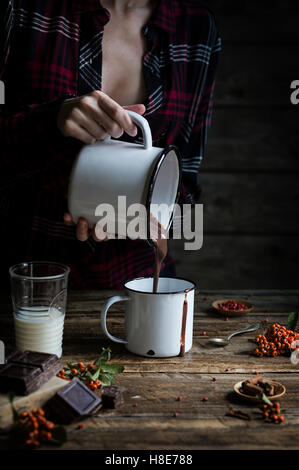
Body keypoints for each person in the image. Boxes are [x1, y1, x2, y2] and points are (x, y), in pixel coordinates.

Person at [0, 0, 221, 289]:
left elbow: (187, 196)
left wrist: (136, 218)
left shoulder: (196, 28)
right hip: (24, 284)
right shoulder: (25, 10)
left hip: (140, 285)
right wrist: (51, 121)